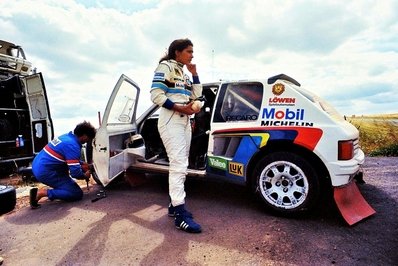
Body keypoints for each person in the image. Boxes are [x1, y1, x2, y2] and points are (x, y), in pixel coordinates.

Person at [150, 38, 203, 233]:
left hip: (184, 120)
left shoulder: (184, 72)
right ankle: (180, 214)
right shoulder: (166, 67)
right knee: (178, 164)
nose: (192, 55)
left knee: (183, 163)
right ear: (177, 52)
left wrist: (195, 74)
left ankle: (174, 205)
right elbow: (156, 94)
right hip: (171, 118)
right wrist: (180, 107)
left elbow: (196, 95)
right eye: (189, 51)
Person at [30, 121, 96, 209]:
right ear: (84, 136)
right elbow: (75, 173)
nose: (88, 141)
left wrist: (81, 163)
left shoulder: (67, 137)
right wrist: (85, 175)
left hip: (38, 164)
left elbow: (66, 156)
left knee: (68, 182)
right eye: (89, 138)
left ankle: (55, 190)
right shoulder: (73, 145)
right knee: (76, 193)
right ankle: (43, 193)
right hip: (46, 171)